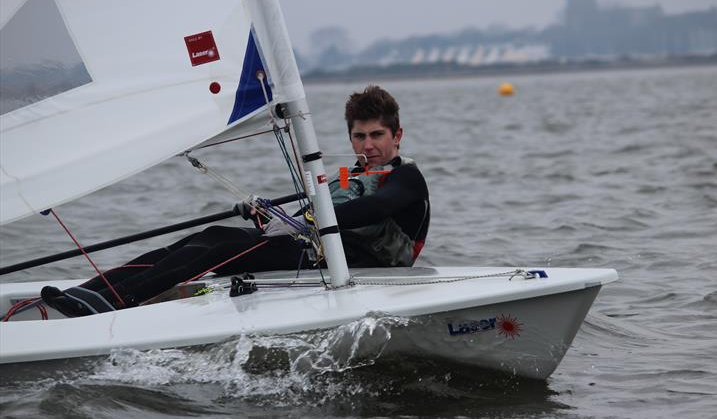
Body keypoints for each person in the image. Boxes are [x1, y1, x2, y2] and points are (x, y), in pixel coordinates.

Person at [40, 85, 430, 318]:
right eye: (359, 136)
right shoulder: (352, 177)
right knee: (212, 234)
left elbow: (376, 209)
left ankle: (115, 304)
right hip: (317, 255)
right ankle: (90, 293)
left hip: (362, 269)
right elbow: (309, 218)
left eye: (377, 135)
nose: (368, 145)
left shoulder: (406, 177)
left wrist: (303, 222)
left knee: (223, 247)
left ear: (398, 136)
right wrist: (270, 218)